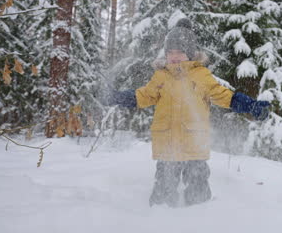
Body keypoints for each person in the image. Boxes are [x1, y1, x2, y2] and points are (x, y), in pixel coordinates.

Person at [110, 18, 270, 207]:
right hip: (167, 146)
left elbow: (224, 96)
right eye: (170, 52)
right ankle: (158, 220)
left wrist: (250, 105)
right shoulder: (161, 76)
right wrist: (117, 97)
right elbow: (143, 96)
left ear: (190, 54)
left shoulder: (201, 75)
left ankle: (199, 219)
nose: (174, 56)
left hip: (194, 146)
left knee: (197, 189)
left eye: (180, 52)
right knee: (163, 189)